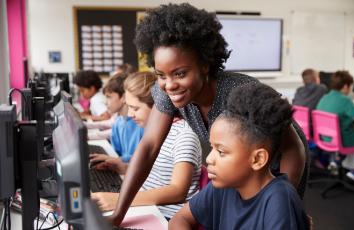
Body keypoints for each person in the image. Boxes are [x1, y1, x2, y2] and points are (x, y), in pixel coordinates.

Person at [108, 3, 308, 225]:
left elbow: (293, 148)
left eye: (180, 73)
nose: (169, 84)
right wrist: (118, 214)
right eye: (161, 75)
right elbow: (148, 147)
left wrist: (286, 200)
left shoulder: (238, 91)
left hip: (280, 167)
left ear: (205, 65)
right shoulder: (168, 91)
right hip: (240, 172)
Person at [169, 83, 309, 229]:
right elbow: (179, 219)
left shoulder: (280, 202)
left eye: (221, 152)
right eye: (212, 148)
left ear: (258, 159)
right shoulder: (224, 184)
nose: (209, 159)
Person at [91, 72, 202, 219]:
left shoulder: (184, 136)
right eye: (128, 107)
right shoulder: (151, 130)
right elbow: (157, 174)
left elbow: (178, 191)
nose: (130, 114)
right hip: (149, 207)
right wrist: (124, 168)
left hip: (167, 217)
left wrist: (118, 199)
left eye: (135, 108)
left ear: (157, 106)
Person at [90, 73, 144, 173]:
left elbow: (142, 158)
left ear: (124, 97)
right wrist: (110, 158)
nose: (106, 102)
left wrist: (117, 159)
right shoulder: (118, 121)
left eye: (109, 97)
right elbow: (119, 153)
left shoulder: (140, 124)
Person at [316, 70, 354, 183]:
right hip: (341, 141)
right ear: (346, 86)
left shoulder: (324, 97)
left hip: (325, 139)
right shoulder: (345, 100)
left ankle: (337, 161)